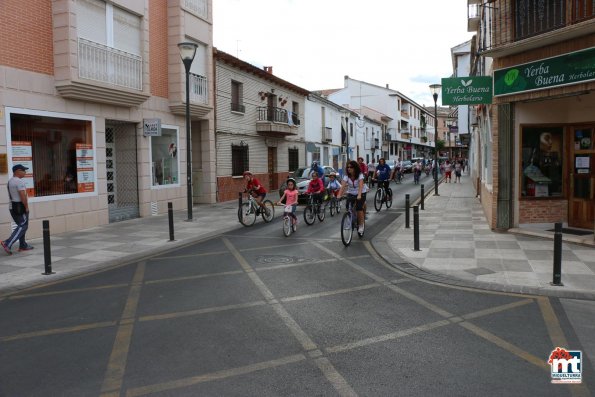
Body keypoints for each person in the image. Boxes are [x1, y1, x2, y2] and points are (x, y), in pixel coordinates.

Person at [2, 164, 34, 255]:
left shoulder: (10, 181)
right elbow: (22, 196)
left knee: (21, 226)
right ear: (18, 171)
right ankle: (7, 243)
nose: (25, 172)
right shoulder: (19, 182)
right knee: (23, 226)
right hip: (20, 207)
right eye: (23, 170)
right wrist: (26, 207)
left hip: (12, 207)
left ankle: (23, 245)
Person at [338, 160, 369, 235]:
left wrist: (359, 195)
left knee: (359, 208)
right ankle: (349, 222)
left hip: (361, 192)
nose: (349, 168)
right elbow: (342, 186)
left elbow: (361, 185)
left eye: (351, 167)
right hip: (351, 192)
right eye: (348, 167)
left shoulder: (360, 175)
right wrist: (339, 195)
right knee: (348, 207)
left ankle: (361, 225)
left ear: (355, 168)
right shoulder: (346, 176)